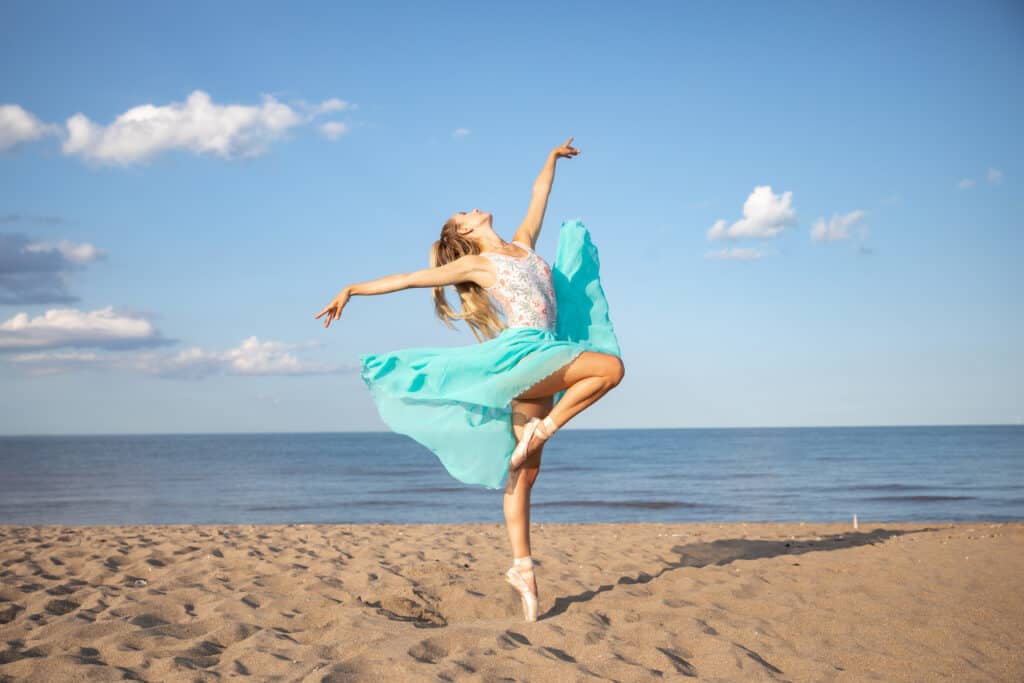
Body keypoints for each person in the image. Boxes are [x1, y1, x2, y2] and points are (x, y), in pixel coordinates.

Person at [314, 137, 625, 622]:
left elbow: (539, 196)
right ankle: (543, 430)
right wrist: (352, 288)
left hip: (543, 359)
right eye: (467, 212)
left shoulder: (522, 243)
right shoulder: (476, 264)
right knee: (610, 368)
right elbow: (409, 279)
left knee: (525, 474)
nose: (476, 208)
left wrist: (549, 159)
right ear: (464, 231)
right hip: (523, 356)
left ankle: (521, 567)